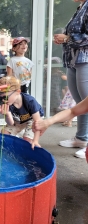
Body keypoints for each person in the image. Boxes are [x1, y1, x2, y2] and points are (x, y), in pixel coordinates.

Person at [53, 0, 88, 158]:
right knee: (80, 102)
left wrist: (67, 38)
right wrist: (64, 39)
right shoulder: (80, 7)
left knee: (86, 102)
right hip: (73, 61)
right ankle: (81, 138)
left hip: (85, 60)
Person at [0, 76, 44, 149]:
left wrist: (36, 140)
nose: (3, 100)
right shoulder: (8, 103)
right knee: (4, 134)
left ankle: (25, 140)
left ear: (18, 92)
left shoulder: (29, 101)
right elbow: (11, 123)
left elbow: (38, 122)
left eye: (5, 97)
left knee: (27, 139)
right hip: (18, 119)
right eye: (0, 98)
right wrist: (7, 114)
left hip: (33, 119)